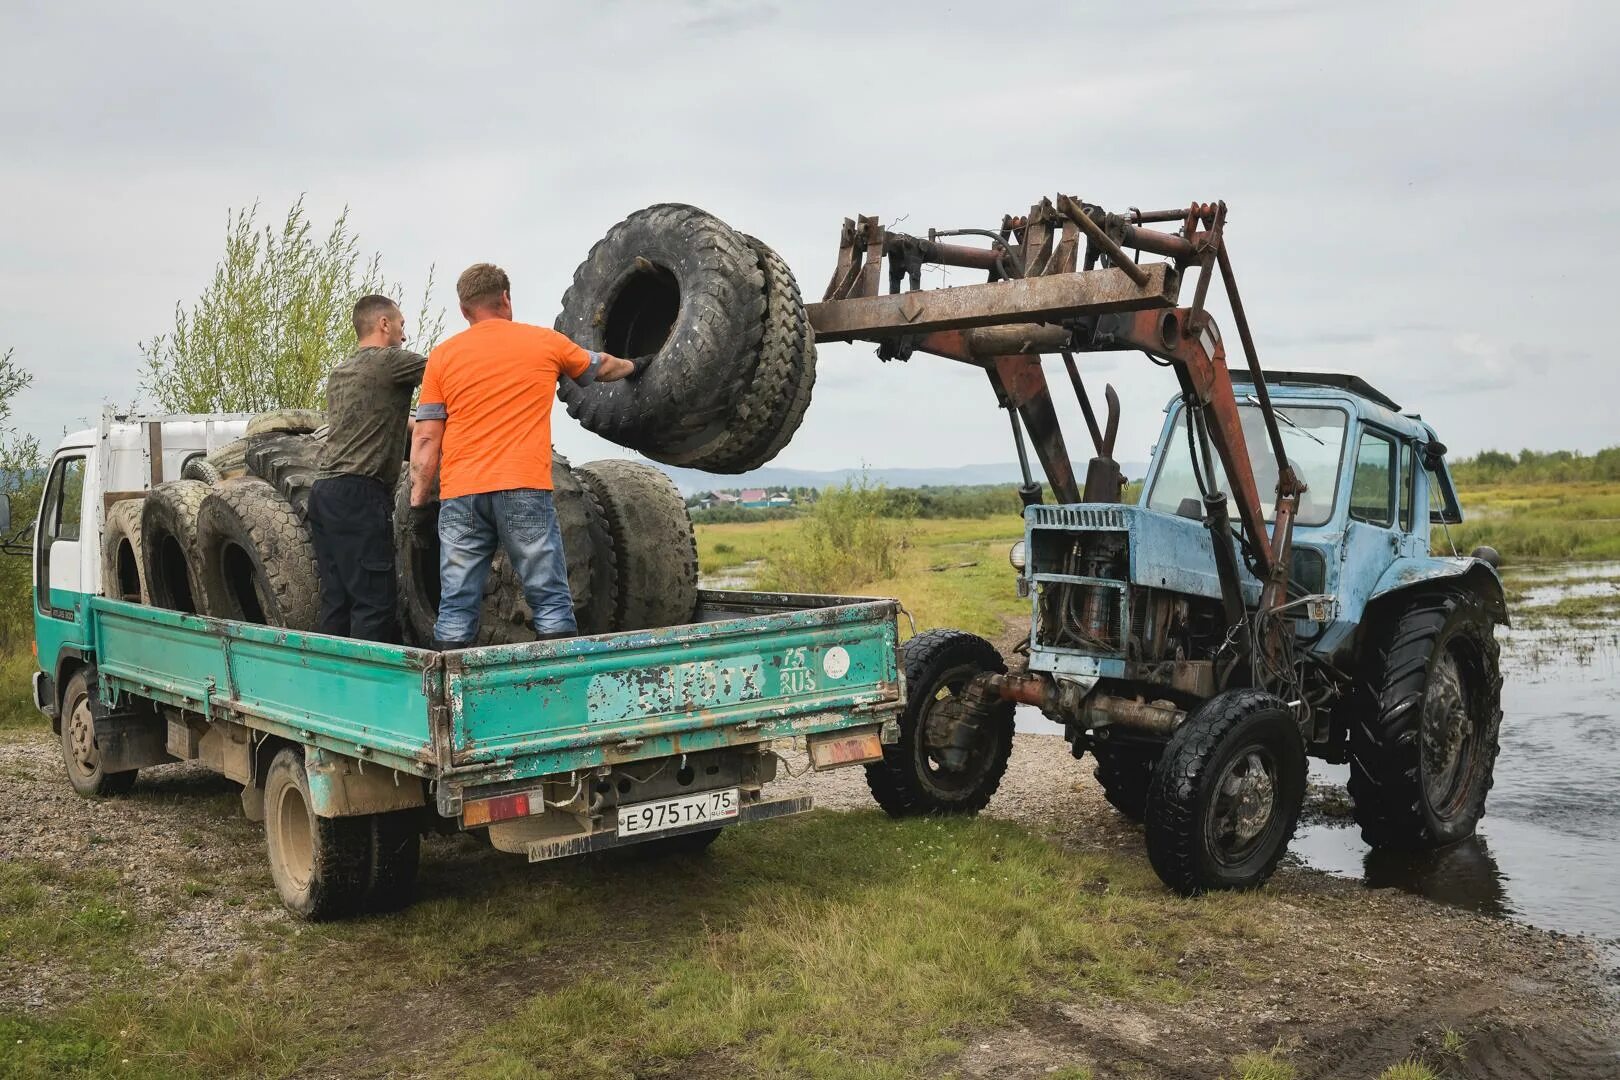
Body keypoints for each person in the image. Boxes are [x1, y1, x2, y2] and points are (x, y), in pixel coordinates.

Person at [408, 263, 637, 650]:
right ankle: (557, 690)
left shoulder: (443, 357)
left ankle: (451, 698)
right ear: (506, 299)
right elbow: (603, 366)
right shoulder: (545, 343)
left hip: (462, 494)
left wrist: (418, 502)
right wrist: (638, 366)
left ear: (464, 310)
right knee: (548, 598)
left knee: (457, 605)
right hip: (523, 489)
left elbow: (428, 437)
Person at [306, 295, 426, 642]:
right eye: (401, 325)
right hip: (360, 494)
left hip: (325, 494)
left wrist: (415, 426)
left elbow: (369, 420)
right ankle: (372, 693)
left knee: (338, 600)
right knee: (374, 603)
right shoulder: (390, 361)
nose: (404, 336)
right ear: (384, 324)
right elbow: (448, 369)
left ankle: (335, 686)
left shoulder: (341, 372)